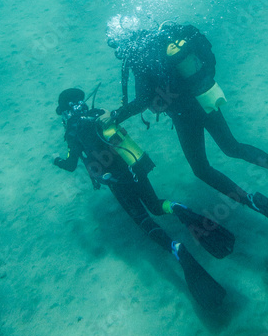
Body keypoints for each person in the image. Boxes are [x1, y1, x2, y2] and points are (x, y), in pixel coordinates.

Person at [104, 18, 268, 246]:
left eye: (116, 47)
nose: (118, 53)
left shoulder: (139, 56)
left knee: (201, 169)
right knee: (232, 146)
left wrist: (114, 116)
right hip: (204, 98)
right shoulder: (162, 38)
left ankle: (252, 201)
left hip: (185, 114)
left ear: (123, 42)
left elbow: (143, 100)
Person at [52, 87, 234, 309]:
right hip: (135, 165)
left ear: (67, 110)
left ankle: (175, 248)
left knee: (143, 220)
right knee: (156, 206)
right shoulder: (100, 112)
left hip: (118, 181)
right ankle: (179, 209)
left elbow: (71, 165)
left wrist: (56, 160)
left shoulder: (72, 129)